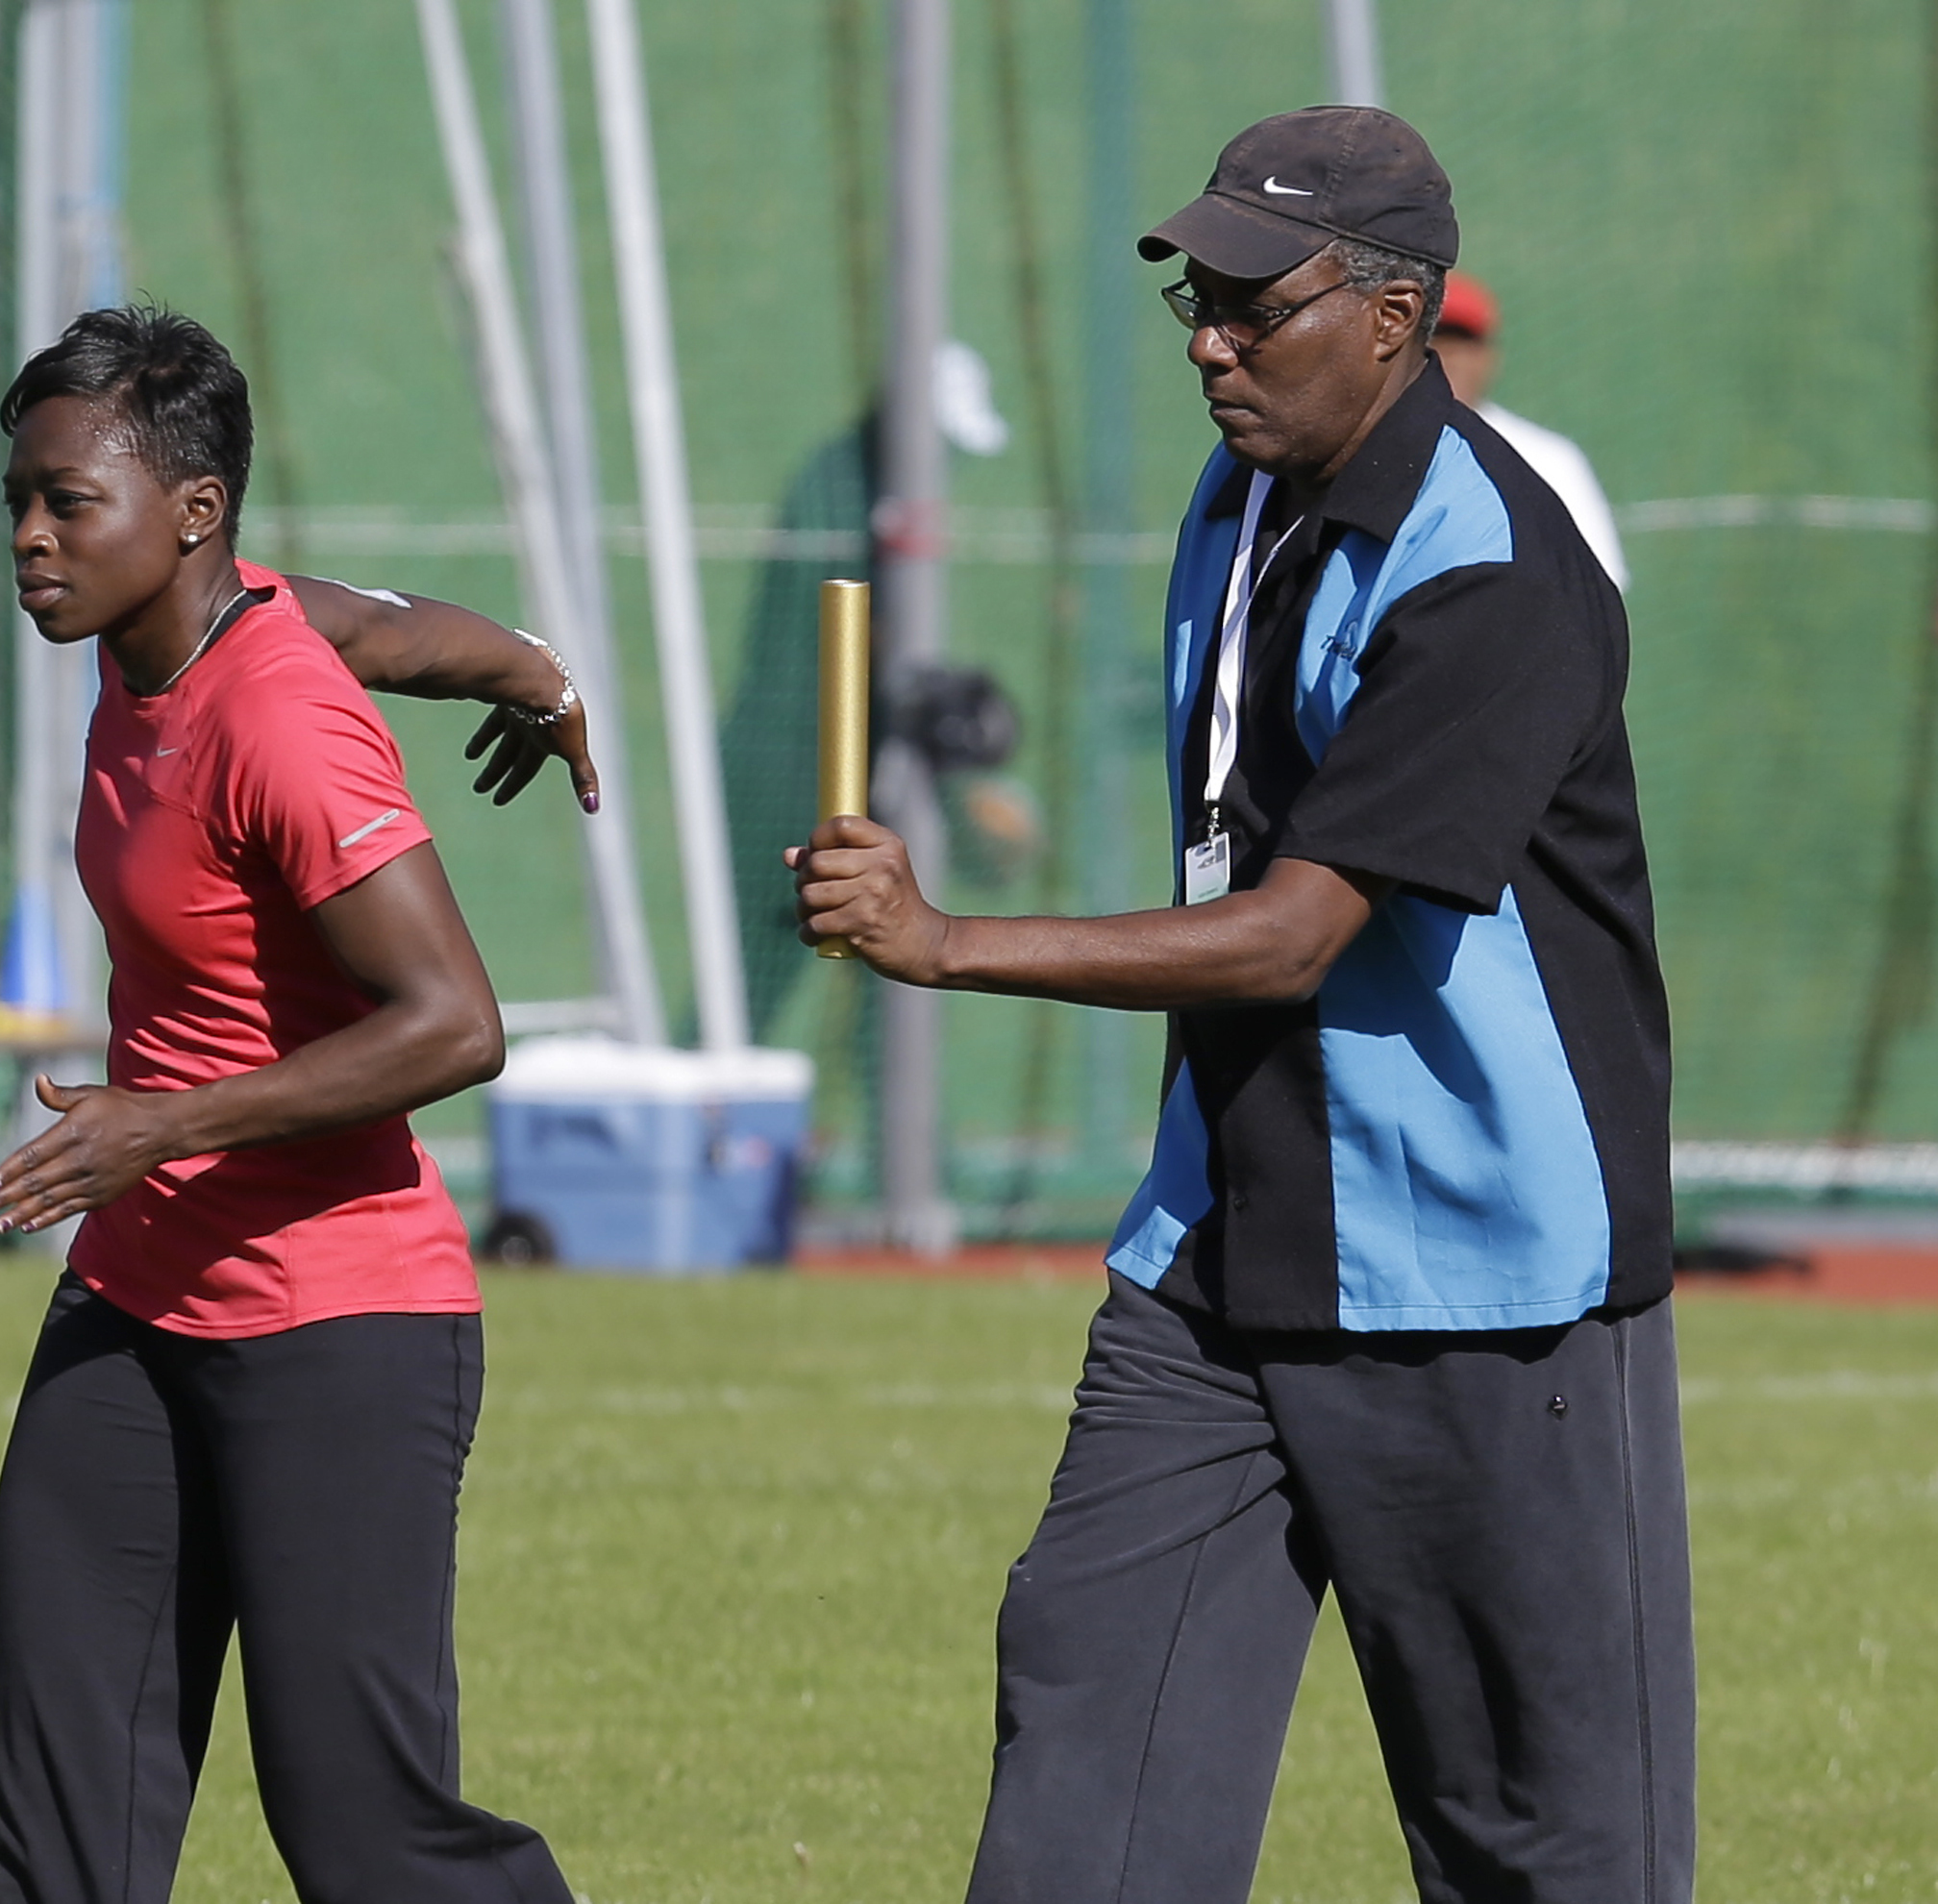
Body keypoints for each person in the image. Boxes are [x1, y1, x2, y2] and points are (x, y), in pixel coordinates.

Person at [792, 108, 1690, 1903]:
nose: (1209, 338)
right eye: (1195, 299)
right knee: (1085, 1772)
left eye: (1252, 304)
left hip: (1476, 1281)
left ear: (1394, 311)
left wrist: (947, 939)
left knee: (1539, 1841)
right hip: (1214, 1256)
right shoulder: (1245, 488)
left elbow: (1294, 937)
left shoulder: (1494, 572)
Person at [0, 304, 579, 1904]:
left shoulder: (278, 720)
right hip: (133, 1310)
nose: (29, 535)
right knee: (64, 1830)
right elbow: (386, 622)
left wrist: (154, 1124)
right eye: (18, 498)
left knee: (366, 1840)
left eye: (65, 503)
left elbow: (456, 1025)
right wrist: (530, 672)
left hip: (339, 1329)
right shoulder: (165, 623)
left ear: (193, 514)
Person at [1434, 269, 1629, 589]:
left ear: (1488, 358)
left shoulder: (1548, 459)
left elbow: (1598, 581)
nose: (1450, 356)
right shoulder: (1372, 449)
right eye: (1434, 338)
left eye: (1462, 342)